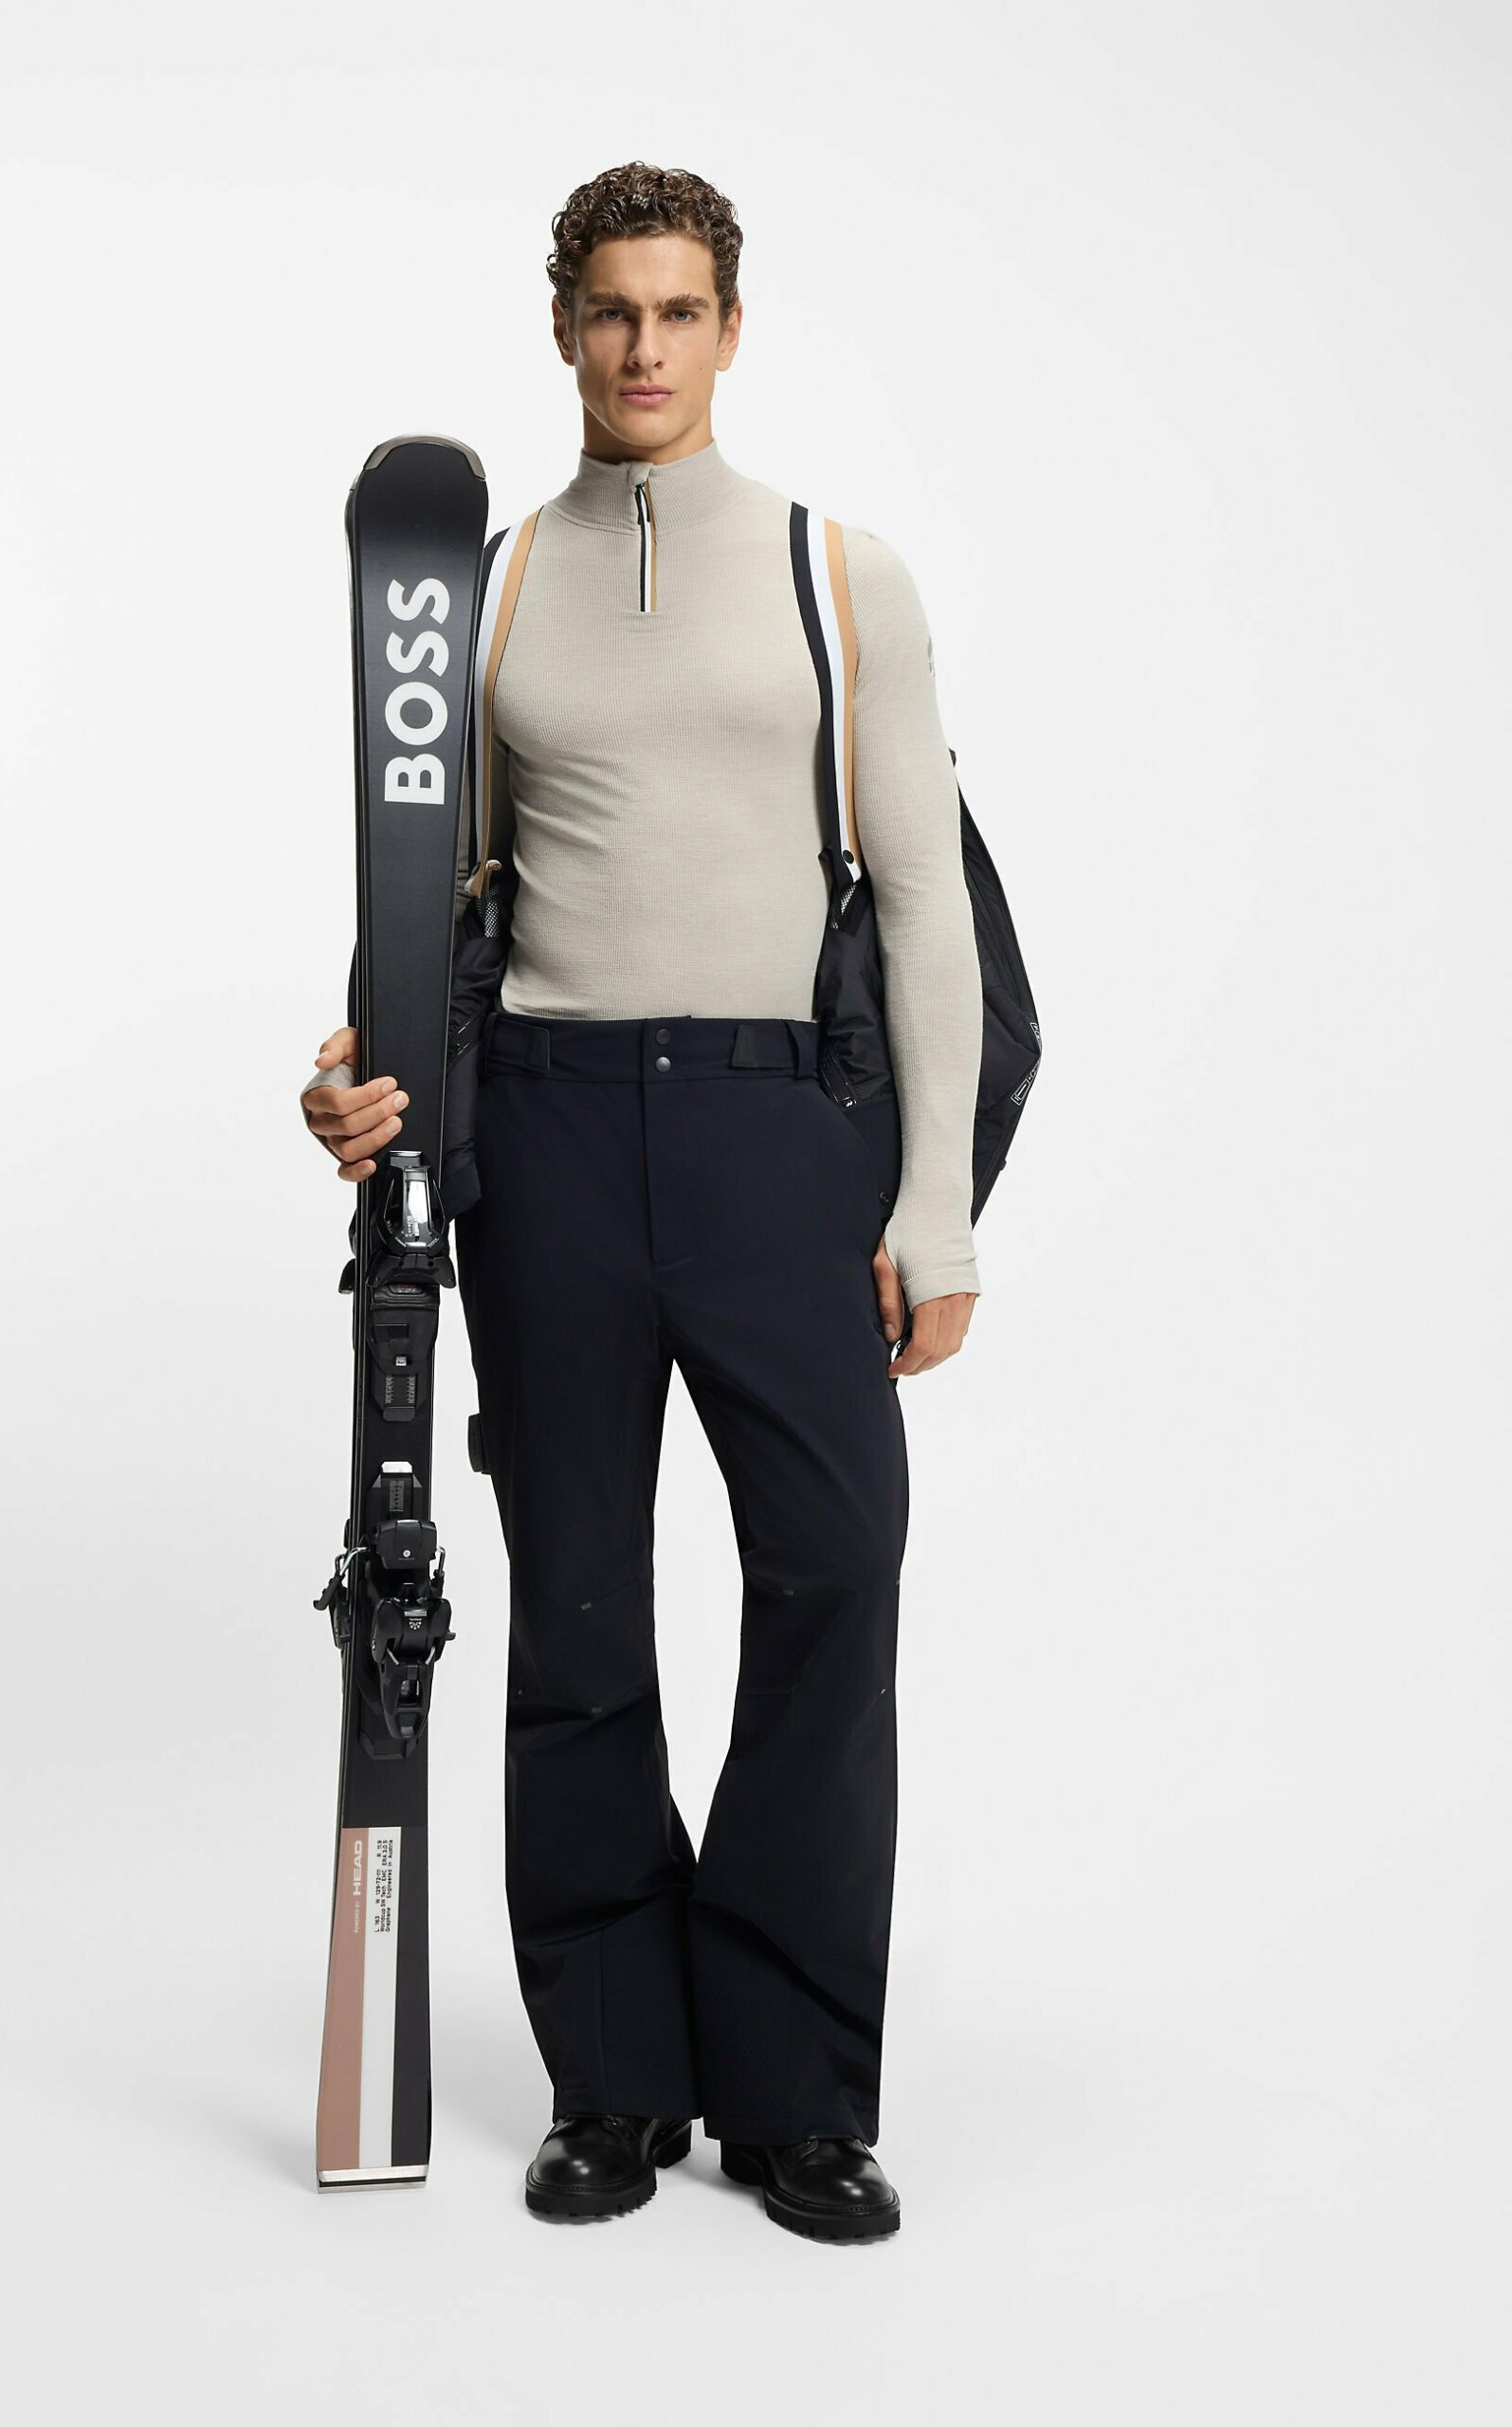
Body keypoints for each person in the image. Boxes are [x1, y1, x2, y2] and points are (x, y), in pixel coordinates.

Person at [301, 161, 984, 2244]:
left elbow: (926, 902)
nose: (644, 347)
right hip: (559, 1139)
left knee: (832, 1578)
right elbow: (434, 894)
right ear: (564, 327)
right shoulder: (494, 586)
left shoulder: (836, 575)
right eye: (610, 310)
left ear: (732, 328)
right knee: (579, 1604)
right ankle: (613, 2077)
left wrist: (937, 1205)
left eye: (680, 310)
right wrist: (359, 1072)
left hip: (782, 1138)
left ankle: (794, 2094)